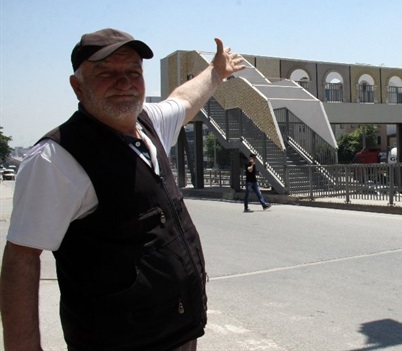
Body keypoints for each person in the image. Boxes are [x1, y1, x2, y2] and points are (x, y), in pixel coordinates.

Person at [0, 28, 245, 351]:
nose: (124, 82)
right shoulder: (55, 159)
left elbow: (184, 100)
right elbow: (22, 259)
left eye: (133, 72)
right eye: (106, 73)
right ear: (77, 86)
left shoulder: (148, 124)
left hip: (178, 332)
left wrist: (216, 72)